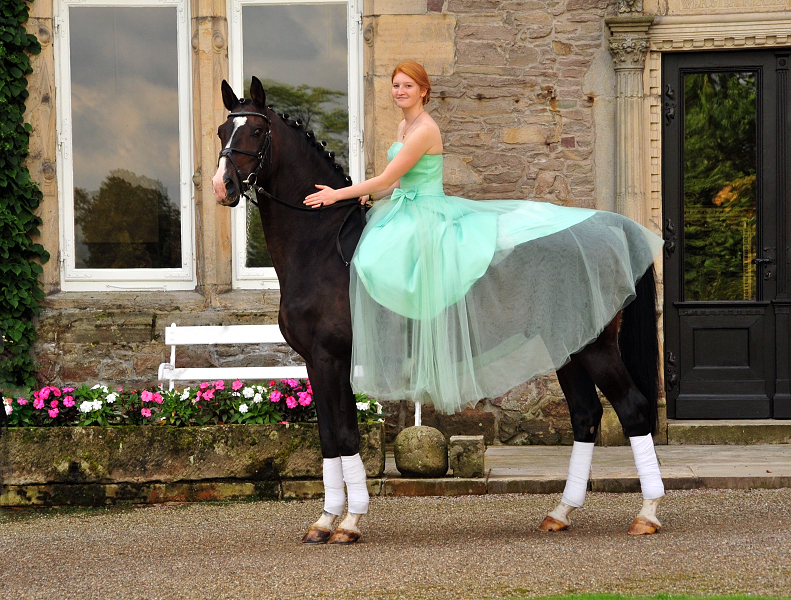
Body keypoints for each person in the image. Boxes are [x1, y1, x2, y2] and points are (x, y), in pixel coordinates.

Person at [305, 61, 664, 416]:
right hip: (405, 206)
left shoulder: (425, 129)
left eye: (408, 86)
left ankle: (421, 335)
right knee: (374, 257)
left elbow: (386, 178)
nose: (400, 91)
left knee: (386, 260)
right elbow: (396, 184)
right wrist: (373, 196)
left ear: (424, 91)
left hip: (428, 211)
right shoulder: (403, 125)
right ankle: (402, 340)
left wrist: (341, 194)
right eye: (396, 85)